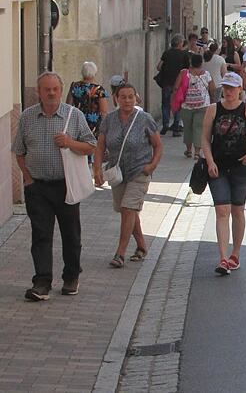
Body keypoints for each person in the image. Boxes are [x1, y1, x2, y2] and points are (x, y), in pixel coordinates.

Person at [13, 72, 97, 301]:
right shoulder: (28, 117)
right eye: (46, 89)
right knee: (40, 235)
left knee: (71, 235)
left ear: (61, 91)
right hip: (38, 188)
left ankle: (71, 276)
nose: (51, 93)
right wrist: (28, 179)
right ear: (38, 92)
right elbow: (19, 152)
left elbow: (91, 146)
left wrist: (70, 143)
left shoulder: (74, 115)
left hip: (66, 186)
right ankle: (41, 282)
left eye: (55, 89)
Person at [94, 84, 163, 268]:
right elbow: (100, 146)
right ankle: (141, 246)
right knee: (127, 211)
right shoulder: (109, 120)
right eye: (123, 97)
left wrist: (152, 166)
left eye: (130, 97)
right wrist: (97, 169)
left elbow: (158, 145)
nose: (127, 100)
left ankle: (120, 253)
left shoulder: (144, 119)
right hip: (118, 172)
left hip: (140, 170)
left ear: (136, 98)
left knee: (128, 208)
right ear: (116, 99)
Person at [202, 72, 246, 275]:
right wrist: (209, 161)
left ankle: (235, 253)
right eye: (225, 88)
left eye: (232, 88)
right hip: (217, 166)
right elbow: (205, 139)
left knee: (237, 210)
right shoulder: (213, 109)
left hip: (241, 167)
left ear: (239, 90)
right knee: (221, 210)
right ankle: (223, 258)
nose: (228, 92)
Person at [176, 54, 214, 159]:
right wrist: (212, 99)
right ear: (201, 63)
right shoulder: (206, 74)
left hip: (186, 105)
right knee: (199, 128)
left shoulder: (184, 73)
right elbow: (213, 88)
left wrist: (175, 100)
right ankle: (197, 153)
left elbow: (176, 87)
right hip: (203, 105)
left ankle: (188, 150)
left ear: (191, 62)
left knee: (188, 128)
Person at [157, 34, 189, 136]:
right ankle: (176, 127)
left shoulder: (167, 53)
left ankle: (165, 124)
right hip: (178, 84)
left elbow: (159, 66)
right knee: (177, 105)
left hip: (167, 82)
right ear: (180, 43)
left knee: (165, 104)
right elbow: (187, 70)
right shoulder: (184, 54)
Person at [67, 61, 110, 138]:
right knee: (93, 145)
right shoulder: (99, 90)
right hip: (94, 123)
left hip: (77, 121)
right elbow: (104, 111)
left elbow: (68, 106)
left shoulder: (74, 86)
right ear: (95, 73)